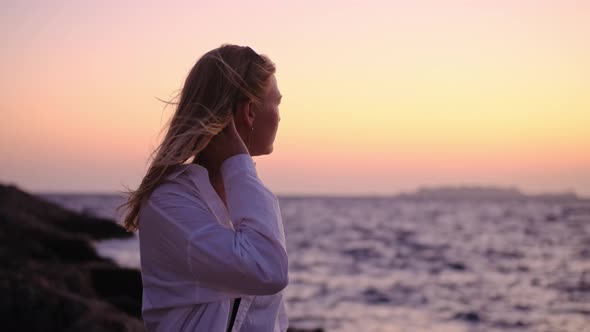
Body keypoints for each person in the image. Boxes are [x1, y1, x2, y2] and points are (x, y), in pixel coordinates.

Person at [120, 44, 288, 331]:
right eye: (278, 103)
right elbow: (267, 269)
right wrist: (239, 163)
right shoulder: (169, 203)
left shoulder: (245, 197)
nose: (280, 116)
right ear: (250, 112)